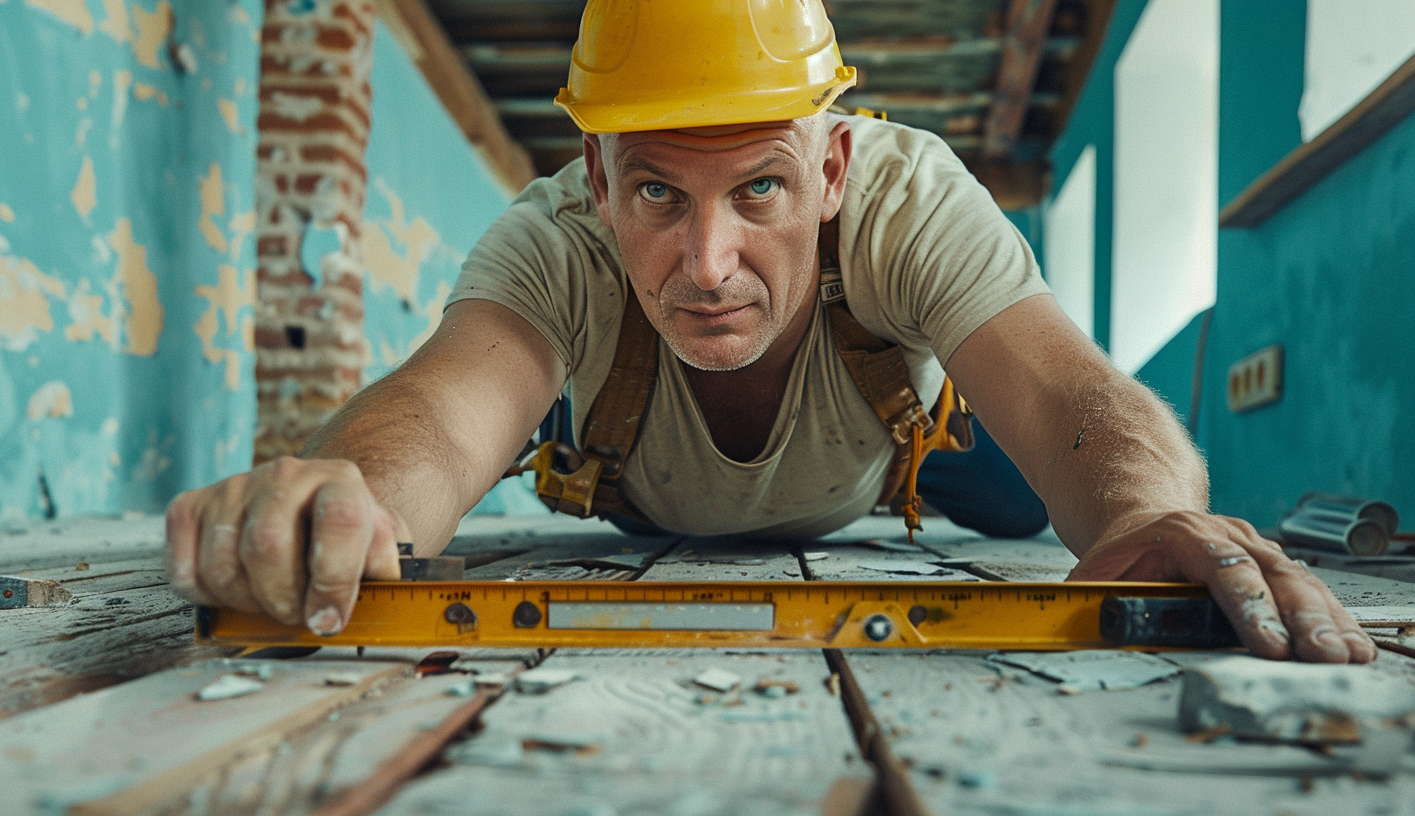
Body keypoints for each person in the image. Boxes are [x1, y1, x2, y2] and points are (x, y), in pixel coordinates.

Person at [165, 0, 1375, 664]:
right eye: (654, 194)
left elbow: (1068, 397)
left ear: (836, 163)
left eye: (759, 190)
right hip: (643, 485)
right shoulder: (552, 242)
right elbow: (443, 401)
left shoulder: (910, 196)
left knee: (1028, 479)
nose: (706, 267)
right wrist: (347, 502)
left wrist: (1137, 512)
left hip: (917, 465)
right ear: (593, 173)